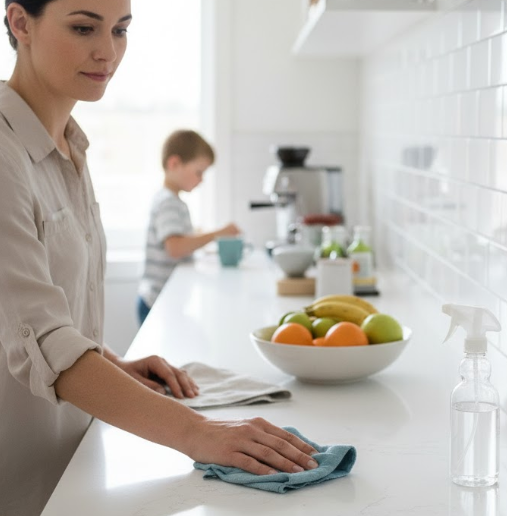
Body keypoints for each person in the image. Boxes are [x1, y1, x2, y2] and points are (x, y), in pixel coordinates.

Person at [0, 1, 318, 515]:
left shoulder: (70, 149)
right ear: (20, 23)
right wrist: (201, 434)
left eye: (121, 30)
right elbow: (41, 339)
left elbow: (34, 318)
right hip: (18, 480)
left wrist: (114, 363)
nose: (108, 52)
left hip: (72, 463)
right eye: (84, 28)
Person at [137, 129, 240, 325]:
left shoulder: (171, 200)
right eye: (199, 172)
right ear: (174, 164)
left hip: (160, 298)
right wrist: (219, 233)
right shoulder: (168, 202)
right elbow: (175, 247)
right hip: (156, 301)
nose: (201, 179)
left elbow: (177, 240)